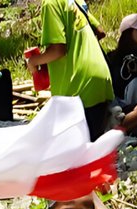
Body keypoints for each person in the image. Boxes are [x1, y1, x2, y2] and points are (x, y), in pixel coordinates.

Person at [26, 0, 114, 138]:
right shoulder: (75, 1)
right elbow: (100, 32)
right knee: (95, 143)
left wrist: (33, 61)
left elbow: (58, 50)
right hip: (100, 77)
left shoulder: (50, 4)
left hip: (79, 84)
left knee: (75, 146)